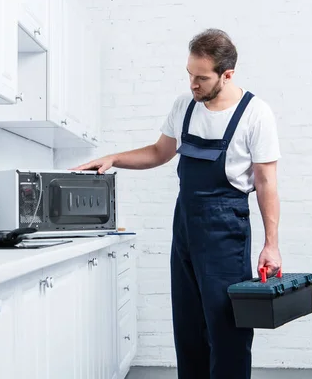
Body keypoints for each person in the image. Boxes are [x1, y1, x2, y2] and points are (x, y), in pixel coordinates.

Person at [71, 28, 282, 379]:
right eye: (189, 74)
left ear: (227, 75)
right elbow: (159, 152)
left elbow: (266, 182)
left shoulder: (255, 114)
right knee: (188, 327)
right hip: (185, 227)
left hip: (225, 230)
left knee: (226, 329)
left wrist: (271, 245)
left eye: (201, 78)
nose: (192, 84)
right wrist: (113, 158)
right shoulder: (185, 106)